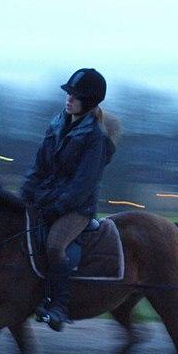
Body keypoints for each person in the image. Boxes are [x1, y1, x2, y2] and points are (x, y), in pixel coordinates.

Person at [20, 68, 120, 331]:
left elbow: (83, 183)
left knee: (54, 246)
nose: (69, 99)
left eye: (75, 95)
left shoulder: (95, 137)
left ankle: (59, 306)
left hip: (77, 207)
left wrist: (59, 206)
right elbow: (38, 164)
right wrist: (27, 189)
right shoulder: (55, 125)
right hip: (47, 198)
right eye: (69, 94)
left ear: (89, 101)